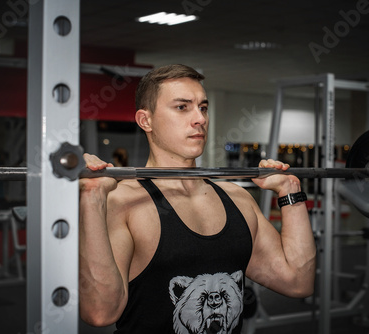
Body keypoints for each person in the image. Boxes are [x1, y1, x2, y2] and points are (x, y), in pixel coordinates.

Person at [79, 64, 316, 334]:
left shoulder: (237, 199)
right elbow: (100, 313)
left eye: (202, 108)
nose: (200, 119)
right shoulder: (122, 203)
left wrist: (290, 191)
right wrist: (92, 197)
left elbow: (299, 282)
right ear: (146, 120)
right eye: (182, 107)